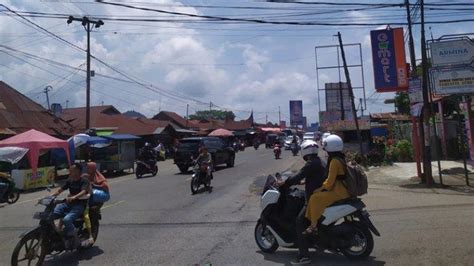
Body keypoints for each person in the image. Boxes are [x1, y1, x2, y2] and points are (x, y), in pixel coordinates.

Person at [275, 140, 326, 265]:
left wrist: (285, 183)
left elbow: (298, 175)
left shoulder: (310, 163)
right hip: (321, 195)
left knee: (299, 221)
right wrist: (304, 182)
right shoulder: (320, 161)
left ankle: (304, 256)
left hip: (314, 198)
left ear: (304, 151)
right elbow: (313, 177)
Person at [304, 134, 350, 236]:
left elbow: (329, 183)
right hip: (343, 190)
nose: (325, 150)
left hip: (338, 192)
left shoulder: (334, 161)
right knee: (316, 196)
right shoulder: (341, 158)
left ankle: (313, 225)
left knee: (314, 197)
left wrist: (319, 189)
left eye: (326, 147)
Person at [51, 163, 90, 238]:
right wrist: (52, 195)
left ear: (78, 171)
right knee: (51, 215)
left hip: (79, 205)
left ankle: (74, 236)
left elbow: (83, 191)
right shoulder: (70, 180)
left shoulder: (84, 181)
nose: (70, 171)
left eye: (72, 170)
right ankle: (56, 233)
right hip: (68, 203)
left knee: (67, 220)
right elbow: (61, 190)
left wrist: (74, 197)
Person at [82, 162, 110, 246]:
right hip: (86, 198)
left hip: (96, 201)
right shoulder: (85, 175)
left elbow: (105, 187)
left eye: (89, 168)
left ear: (93, 168)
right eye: (87, 168)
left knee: (92, 212)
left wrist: (94, 185)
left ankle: (91, 233)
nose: (87, 169)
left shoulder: (99, 177)